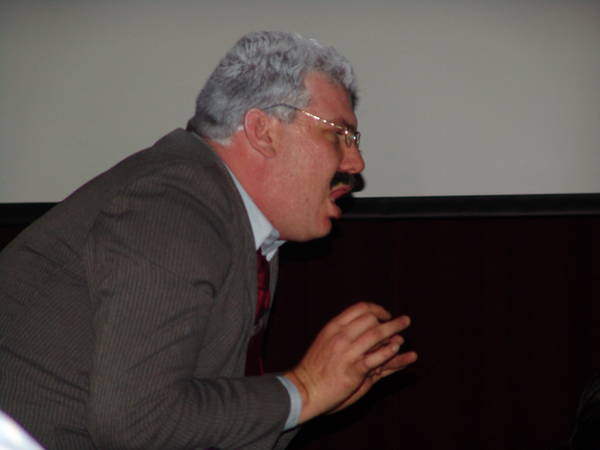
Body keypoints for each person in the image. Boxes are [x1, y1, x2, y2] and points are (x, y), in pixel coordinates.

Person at [0, 31, 417, 449]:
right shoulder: (173, 205)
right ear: (264, 131)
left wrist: (311, 401)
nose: (356, 163)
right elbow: (137, 424)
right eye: (338, 134)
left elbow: (192, 426)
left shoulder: (243, 230)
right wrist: (303, 391)